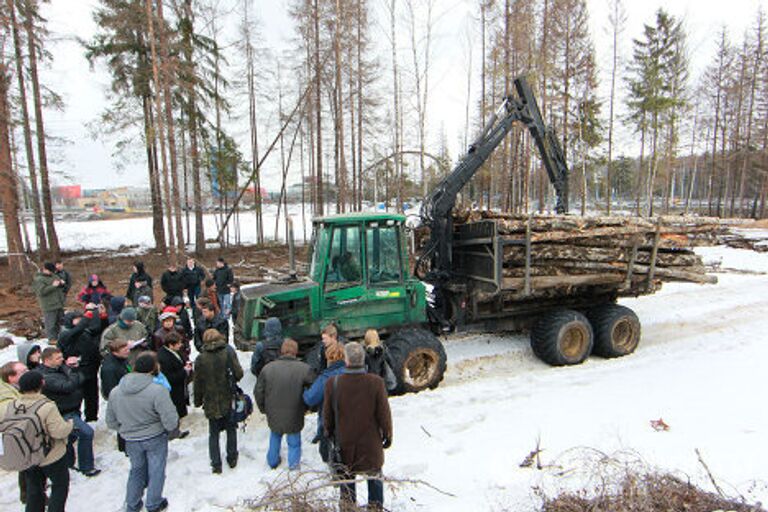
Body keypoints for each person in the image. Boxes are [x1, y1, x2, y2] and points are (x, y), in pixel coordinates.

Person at [106, 352, 179, 512]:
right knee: (156, 470)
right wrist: (167, 429)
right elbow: (170, 419)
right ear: (153, 368)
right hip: (155, 437)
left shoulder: (116, 392)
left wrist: (126, 429)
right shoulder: (157, 390)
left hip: (130, 439)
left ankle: (132, 504)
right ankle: (153, 503)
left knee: (136, 470)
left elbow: (111, 421)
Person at [323, 342, 392, 511]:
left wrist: (329, 433)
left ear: (346, 360)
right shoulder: (376, 382)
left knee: (347, 484)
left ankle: (348, 508)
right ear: (363, 359)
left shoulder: (333, 383)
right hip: (371, 444)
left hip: (344, 444)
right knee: (375, 478)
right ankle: (375, 508)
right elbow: (384, 414)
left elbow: (327, 416)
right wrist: (388, 435)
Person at [38, 347, 101, 477]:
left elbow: (80, 379)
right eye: (58, 358)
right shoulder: (45, 376)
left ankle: (68, 464)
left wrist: (74, 371)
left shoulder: (61, 368)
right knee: (86, 433)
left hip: (74, 408)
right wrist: (73, 374)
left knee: (68, 438)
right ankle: (87, 467)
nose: (62, 360)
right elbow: (68, 386)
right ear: (47, 360)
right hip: (63, 412)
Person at [17, 371, 74, 512]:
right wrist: (69, 424)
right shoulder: (47, 406)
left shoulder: (14, 405)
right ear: (41, 384)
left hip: (27, 455)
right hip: (50, 456)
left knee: (34, 490)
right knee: (60, 486)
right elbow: (58, 431)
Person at [255, 339, 314, 470]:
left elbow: (258, 391)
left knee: (275, 436)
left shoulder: (268, 369)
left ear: (282, 350)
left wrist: (263, 408)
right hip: (295, 412)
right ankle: (293, 466)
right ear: (296, 351)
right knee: (294, 442)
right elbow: (313, 391)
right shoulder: (304, 369)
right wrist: (307, 407)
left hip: (273, 411)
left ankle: (272, 461)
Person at [194, 329, 243, 473]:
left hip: (210, 400)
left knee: (213, 433)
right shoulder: (228, 353)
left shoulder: (201, 359)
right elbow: (238, 373)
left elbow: (198, 383)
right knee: (231, 428)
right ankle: (232, 457)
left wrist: (197, 400)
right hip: (227, 396)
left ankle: (216, 463)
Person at [303, 342, 345, 460]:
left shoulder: (325, 378)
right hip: (351, 424)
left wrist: (305, 390)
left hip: (329, 426)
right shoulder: (354, 375)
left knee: (332, 459)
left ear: (329, 358)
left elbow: (310, 399)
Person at [58, 311, 103, 422]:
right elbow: (76, 331)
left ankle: (92, 418)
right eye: (76, 319)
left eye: (80, 319)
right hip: (75, 371)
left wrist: (96, 313)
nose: (79, 321)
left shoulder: (85, 332)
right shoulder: (65, 334)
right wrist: (87, 317)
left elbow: (97, 328)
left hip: (90, 369)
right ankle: (74, 419)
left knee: (92, 396)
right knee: (77, 396)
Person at [0, 361, 28, 505]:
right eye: (23, 371)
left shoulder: (13, 388)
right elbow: (6, 412)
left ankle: (28, 492)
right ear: (10, 377)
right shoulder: (4, 393)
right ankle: (27, 493)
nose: (27, 372)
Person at [156, 331, 191, 420]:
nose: (181, 345)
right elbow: (169, 377)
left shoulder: (174, 351)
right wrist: (184, 371)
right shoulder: (163, 357)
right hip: (174, 393)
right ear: (171, 345)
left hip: (180, 390)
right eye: (178, 343)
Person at [32, 262, 66, 345]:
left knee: (60, 322)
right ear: (44, 269)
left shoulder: (54, 276)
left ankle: (60, 337)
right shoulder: (39, 279)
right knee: (50, 323)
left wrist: (61, 283)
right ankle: (52, 339)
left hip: (58, 303)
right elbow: (41, 292)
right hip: (49, 305)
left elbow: (59, 286)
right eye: (50, 271)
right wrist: (53, 286)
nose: (52, 272)